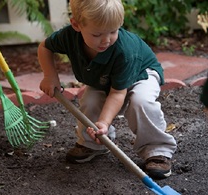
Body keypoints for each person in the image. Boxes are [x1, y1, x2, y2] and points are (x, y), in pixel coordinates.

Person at [37, 0, 177, 179]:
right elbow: (45, 47)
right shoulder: (68, 36)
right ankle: (94, 144)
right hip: (105, 77)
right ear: (76, 25)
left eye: (113, 31)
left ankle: (157, 150)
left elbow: (118, 93)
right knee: (90, 101)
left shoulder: (125, 51)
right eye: (97, 34)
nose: (106, 40)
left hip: (142, 73)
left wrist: (104, 122)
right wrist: (50, 76)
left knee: (140, 102)